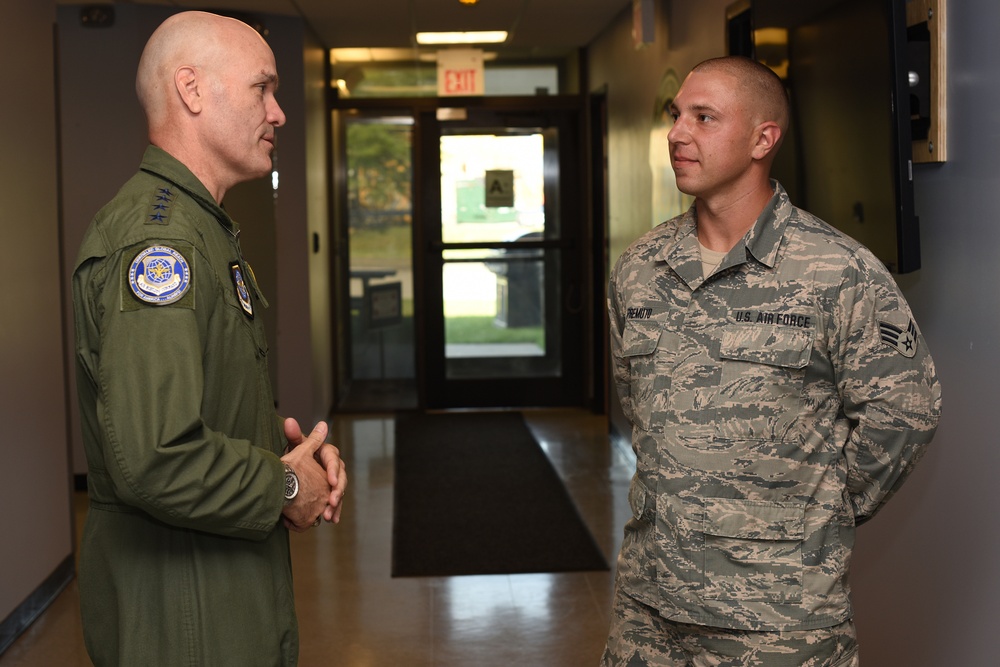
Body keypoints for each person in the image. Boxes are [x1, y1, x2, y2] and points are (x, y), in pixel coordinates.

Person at [602, 56, 941, 666]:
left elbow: (904, 414)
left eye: (704, 117)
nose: (678, 133)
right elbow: (643, 410)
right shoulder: (639, 269)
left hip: (778, 620)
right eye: (677, 115)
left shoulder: (837, 271)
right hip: (649, 609)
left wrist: (812, 511)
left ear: (764, 138)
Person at [71, 11, 346, 666]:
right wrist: (282, 488)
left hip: (219, 593)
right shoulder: (158, 242)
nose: (278, 113)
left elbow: (197, 414)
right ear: (192, 91)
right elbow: (157, 454)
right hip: (181, 615)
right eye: (262, 89)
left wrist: (293, 460)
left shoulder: (202, 229)